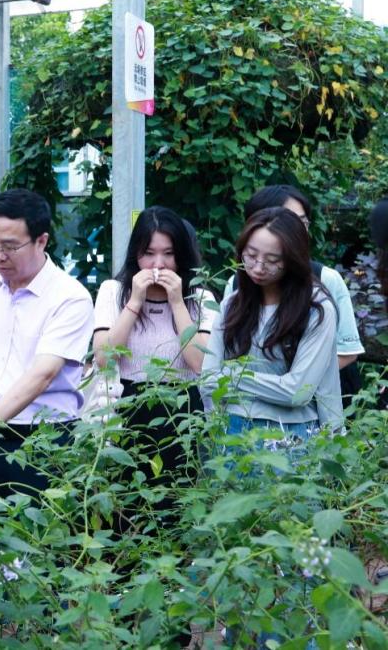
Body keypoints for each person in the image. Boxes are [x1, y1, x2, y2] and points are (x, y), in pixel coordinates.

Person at [0, 188, 95, 499]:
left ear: (41, 241)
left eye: (10, 246)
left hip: (42, 441)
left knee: (36, 525)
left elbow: (42, 374)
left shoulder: (70, 297)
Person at [92, 206, 217, 530]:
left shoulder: (200, 296)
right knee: (127, 509)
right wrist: (135, 300)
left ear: (181, 255)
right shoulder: (113, 291)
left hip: (182, 409)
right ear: (136, 254)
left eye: (168, 254)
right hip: (129, 406)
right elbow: (105, 358)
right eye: (148, 254)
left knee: (177, 508)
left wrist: (177, 302)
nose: (158, 265)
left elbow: (200, 363)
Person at [202, 208, 342, 451]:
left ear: (293, 259)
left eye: (272, 260)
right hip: (230, 433)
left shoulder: (316, 310)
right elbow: (207, 380)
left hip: (293, 438)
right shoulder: (232, 304)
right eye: (251, 255)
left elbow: (297, 392)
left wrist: (233, 375)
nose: (258, 267)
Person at [242, 185, 363, 403]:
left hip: (320, 401)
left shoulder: (326, 279)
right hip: (253, 404)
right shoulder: (241, 283)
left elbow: (348, 352)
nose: (298, 230)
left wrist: (295, 383)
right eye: (288, 221)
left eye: (303, 222)